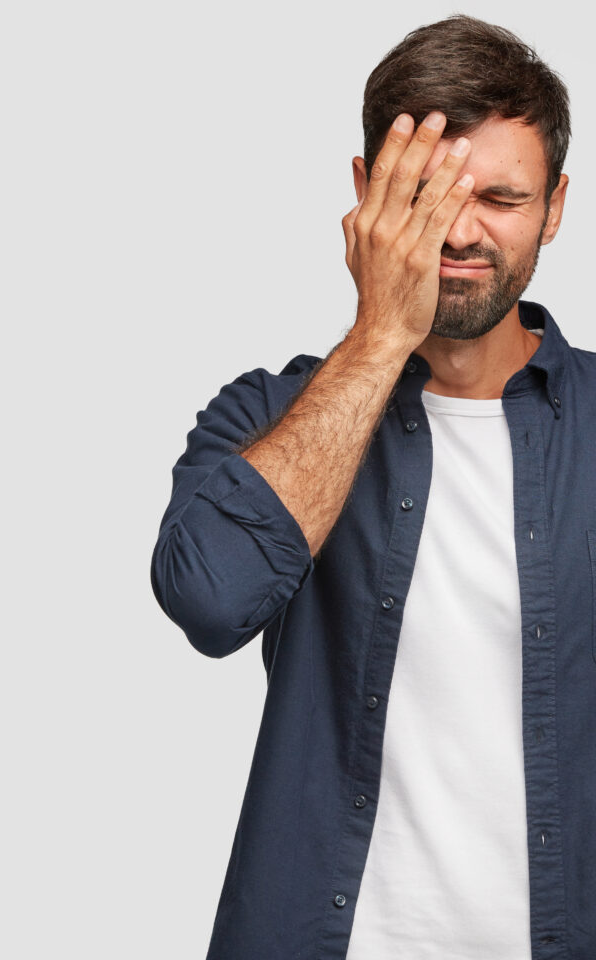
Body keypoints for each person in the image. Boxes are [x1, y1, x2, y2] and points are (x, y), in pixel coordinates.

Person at [148, 14, 592, 959]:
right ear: (365, 193)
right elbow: (211, 599)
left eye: (502, 199)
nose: (460, 234)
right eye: (427, 198)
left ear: (556, 206)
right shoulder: (267, 414)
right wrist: (383, 333)